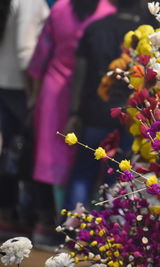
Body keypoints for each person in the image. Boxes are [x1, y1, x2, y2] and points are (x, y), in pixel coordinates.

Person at [64, 0, 160, 209]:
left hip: (96, 110)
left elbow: (80, 74)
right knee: (120, 175)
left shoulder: (95, 27)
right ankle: (108, 229)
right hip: (132, 114)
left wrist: (74, 112)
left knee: (83, 173)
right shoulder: (148, 34)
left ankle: (71, 227)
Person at [27, 0, 115, 245]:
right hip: (89, 94)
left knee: (50, 160)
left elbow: (41, 53)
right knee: (82, 164)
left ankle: (46, 223)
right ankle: (79, 230)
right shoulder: (107, 11)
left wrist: (33, 94)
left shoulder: (59, 8)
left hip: (53, 91)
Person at [0, 0, 49, 238]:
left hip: (5, 82)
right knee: (28, 151)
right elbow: (24, 51)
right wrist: (33, 95)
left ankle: (8, 213)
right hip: (21, 87)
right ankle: (35, 217)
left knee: (11, 151)